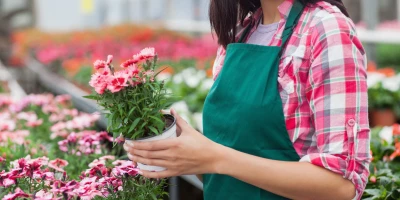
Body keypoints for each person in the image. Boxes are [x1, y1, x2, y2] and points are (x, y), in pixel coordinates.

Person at [124, 0, 370, 199]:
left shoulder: (325, 28)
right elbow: (225, 170)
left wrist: (215, 157)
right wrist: (184, 150)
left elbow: (342, 186)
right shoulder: (240, 33)